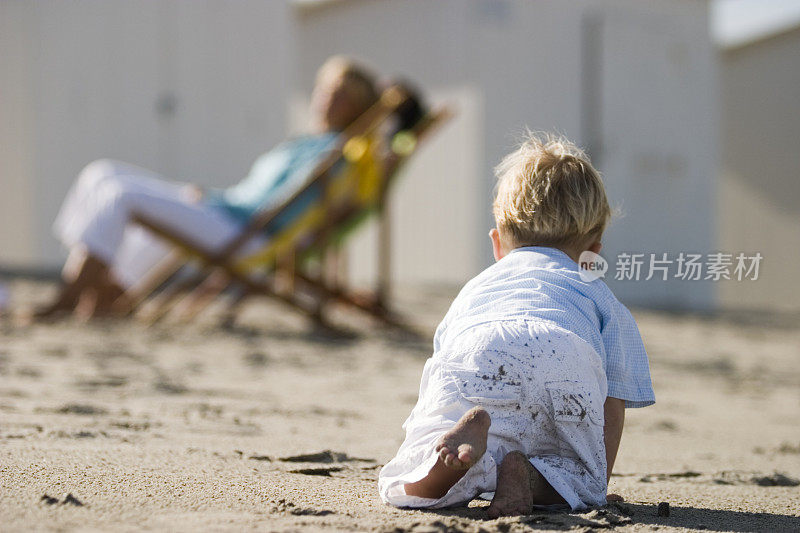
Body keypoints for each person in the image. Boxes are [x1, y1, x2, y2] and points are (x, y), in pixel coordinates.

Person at [378, 133, 655, 516]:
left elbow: (443, 363)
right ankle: (524, 477)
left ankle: (437, 472)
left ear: (497, 245)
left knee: (417, 462)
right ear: (593, 254)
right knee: (576, 479)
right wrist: (596, 482)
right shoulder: (598, 295)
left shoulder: (476, 288)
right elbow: (613, 399)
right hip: (564, 349)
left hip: (477, 347)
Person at [34, 56, 378, 320]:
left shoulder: (334, 154)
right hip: (228, 213)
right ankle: (106, 291)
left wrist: (214, 200)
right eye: (327, 89)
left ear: (359, 108)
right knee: (101, 174)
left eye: (343, 96)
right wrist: (214, 197)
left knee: (120, 195)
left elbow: (275, 207)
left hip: (244, 232)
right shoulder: (306, 143)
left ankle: (68, 298)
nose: (329, 100)